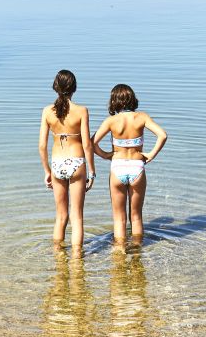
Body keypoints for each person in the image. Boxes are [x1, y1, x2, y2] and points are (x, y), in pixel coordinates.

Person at [92, 84, 168, 243]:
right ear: (132, 99)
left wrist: (106, 155)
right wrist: (150, 155)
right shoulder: (142, 117)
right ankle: (137, 256)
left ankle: (119, 254)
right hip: (137, 167)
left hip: (117, 167)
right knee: (136, 217)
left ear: (114, 101)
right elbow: (162, 135)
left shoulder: (111, 121)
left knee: (119, 219)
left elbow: (92, 143)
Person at [38, 69, 95, 250]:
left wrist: (47, 171)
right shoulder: (81, 111)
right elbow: (86, 144)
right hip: (77, 163)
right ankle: (77, 260)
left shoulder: (47, 112)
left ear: (55, 87)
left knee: (61, 216)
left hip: (56, 164)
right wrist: (92, 172)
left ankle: (58, 257)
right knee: (77, 217)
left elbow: (41, 145)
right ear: (74, 88)